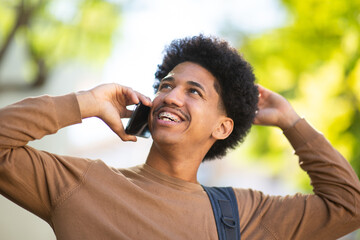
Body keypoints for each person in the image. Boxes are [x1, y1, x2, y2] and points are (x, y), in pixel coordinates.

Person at [0, 35, 359, 240]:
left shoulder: (244, 214)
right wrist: (85, 102)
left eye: (194, 92)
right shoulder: (80, 184)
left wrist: (292, 121)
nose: (170, 97)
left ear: (222, 127)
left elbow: (349, 206)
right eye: (165, 86)